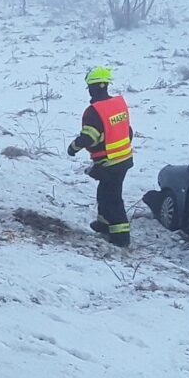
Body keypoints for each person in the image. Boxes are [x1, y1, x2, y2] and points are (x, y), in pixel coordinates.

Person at [67, 65, 133, 247]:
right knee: (104, 193)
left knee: (112, 198)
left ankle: (121, 237)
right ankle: (103, 224)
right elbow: (127, 130)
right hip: (124, 158)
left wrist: (73, 148)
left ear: (92, 87)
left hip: (109, 161)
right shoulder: (118, 104)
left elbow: (89, 137)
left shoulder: (94, 111)